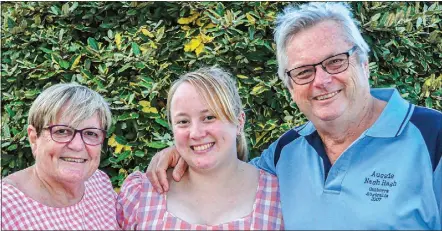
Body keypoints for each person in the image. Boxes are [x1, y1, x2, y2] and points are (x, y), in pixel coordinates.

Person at [145, 2, 442, 230]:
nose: (321, 80)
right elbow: (228, 173)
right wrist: (186, 150)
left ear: (364, 64)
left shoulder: (434, 139)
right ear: (290, 87)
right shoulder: (284, 154)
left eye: (336, 62)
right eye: (303, 72)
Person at [117, 67, 284, 230]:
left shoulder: (279, 196)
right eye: (183, 121)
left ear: (239, 122)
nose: (195, 133)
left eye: (209, 117)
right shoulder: (141, 195)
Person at [1, 83, 120, 230]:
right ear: (33, 138)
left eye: (91, 133)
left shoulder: (100, 183)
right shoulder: (5, 206)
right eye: (62, 131)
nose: (77, 145)